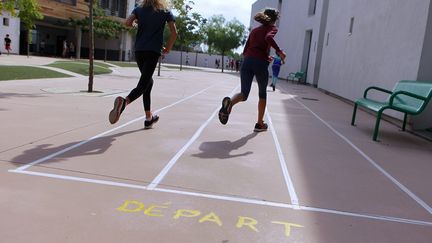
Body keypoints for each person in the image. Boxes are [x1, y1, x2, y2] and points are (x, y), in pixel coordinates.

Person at [108, 0, 177, 129]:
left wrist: (135, 24)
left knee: (148, 82)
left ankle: (148, 118)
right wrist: (167, 48)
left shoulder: (139, 9)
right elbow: (174, 32)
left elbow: (128, 22)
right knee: (143, 85)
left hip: (139, 51)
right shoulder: (165, 11)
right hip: (153, 51)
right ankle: (124, 102)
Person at [218, 8, 286, 132]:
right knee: (262, 94)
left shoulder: (254, 31)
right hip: (260, 64)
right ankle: (260, 123)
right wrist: (279, 52)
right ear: (274, 20)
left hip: (247, 61)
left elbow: (246, 51)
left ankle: (230, 104)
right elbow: (268, 39)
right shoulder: (272, 28)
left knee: (244, 93)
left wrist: (265, 57)